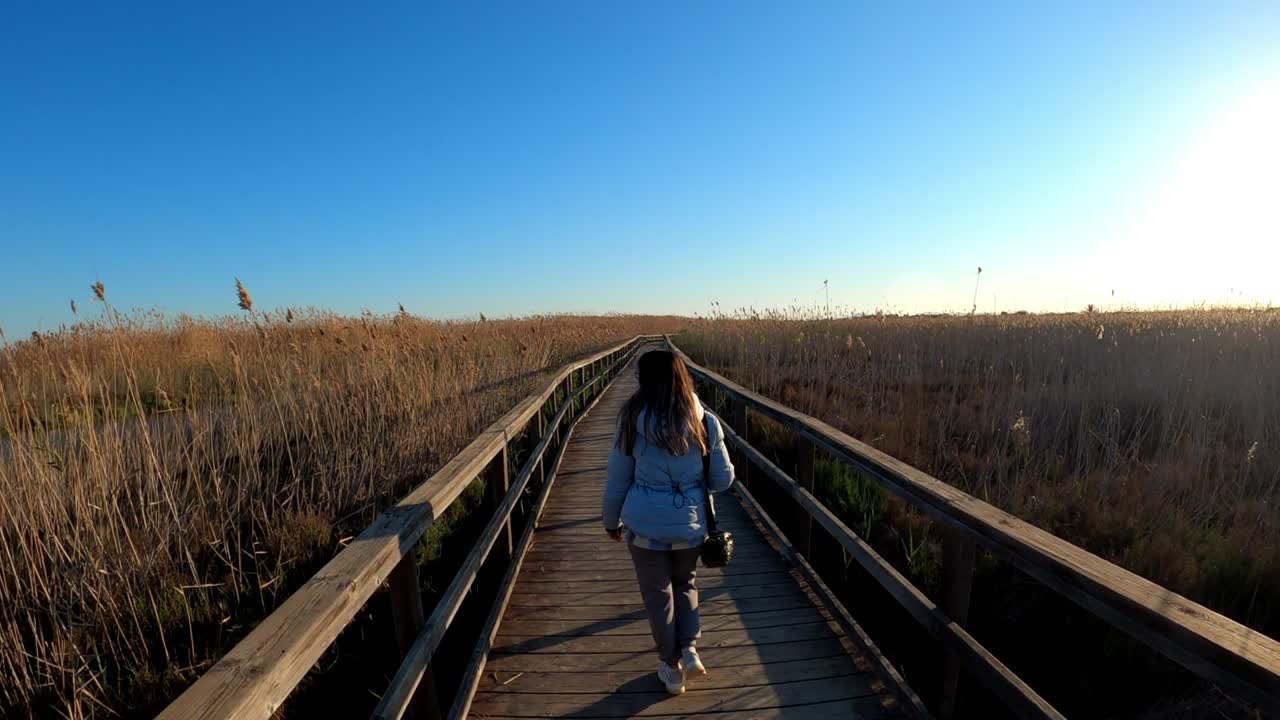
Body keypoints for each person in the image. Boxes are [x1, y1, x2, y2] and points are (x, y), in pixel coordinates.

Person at [602, 350, 735, 695]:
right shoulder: (705, 421)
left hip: (644, 528)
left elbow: (618, 478)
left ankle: (671, 668)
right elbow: (722, 480)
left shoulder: (632, 419)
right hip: (690, 526)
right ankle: (690, 650)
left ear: (645, 380)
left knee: (658, 596)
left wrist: (610, 519)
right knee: (686, 583)